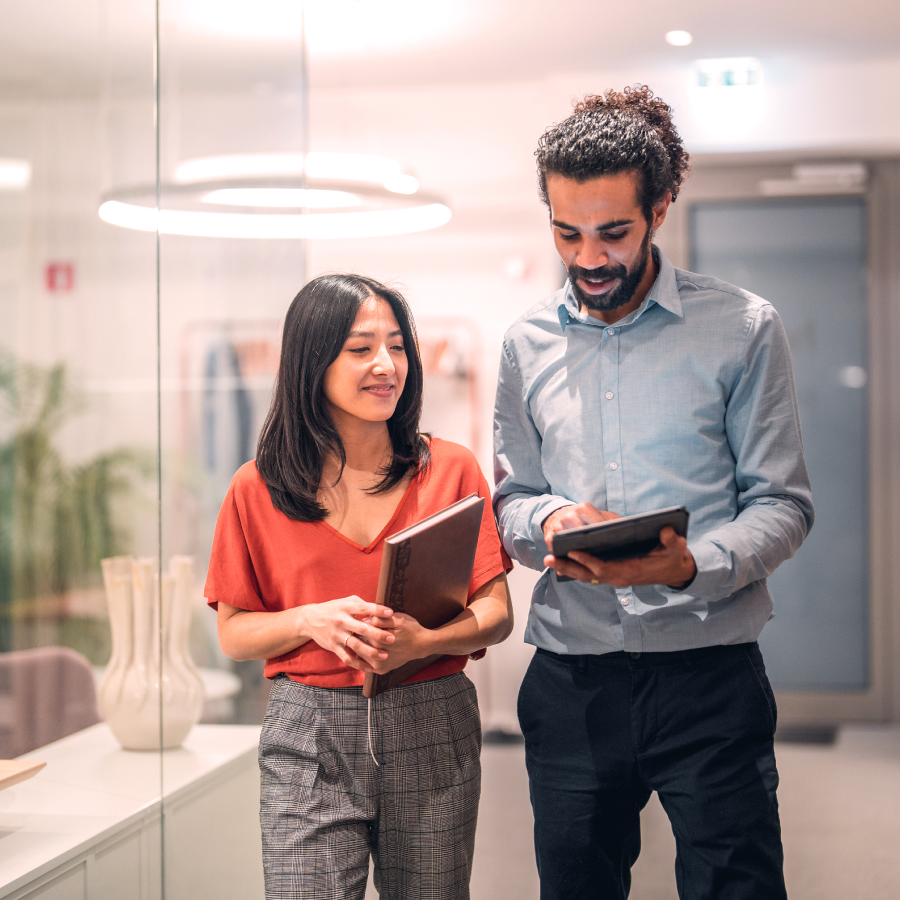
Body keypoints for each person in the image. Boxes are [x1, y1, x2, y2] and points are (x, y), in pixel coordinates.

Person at [493, 86, 814, 900]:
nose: (589, 258)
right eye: (568, 233)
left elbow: (783, 502)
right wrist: (552, 517)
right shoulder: (526, 344)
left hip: (710, 673)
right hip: (572, 679)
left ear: (661, 208)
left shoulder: (743, 327)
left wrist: (684, 567)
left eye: (613, 233)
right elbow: (513, 499)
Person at [205, 273, 513, 900]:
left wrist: (424, 641)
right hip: (307, 732)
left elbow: (497, 614)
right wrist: (307, 620)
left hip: (432, 722)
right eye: (361, 348)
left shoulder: (450, 469)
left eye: (397, 347)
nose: (386, 366)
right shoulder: (255, 488)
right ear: (311, 362)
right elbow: (235, 634)